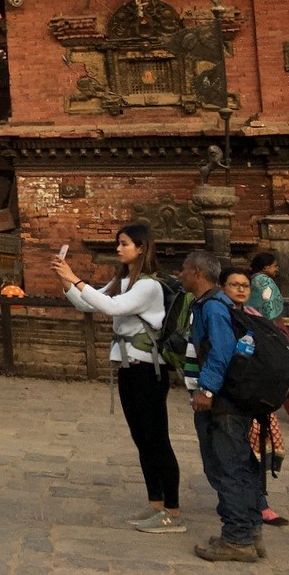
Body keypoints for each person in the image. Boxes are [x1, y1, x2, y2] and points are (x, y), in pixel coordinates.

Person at [53, 223, 183, 533]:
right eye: (118, 243)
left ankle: (173, 511)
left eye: (124, 243)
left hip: (149, 370)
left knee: (157, 439)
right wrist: (67, 283)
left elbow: (113, 308)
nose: (118, 248)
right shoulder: (123, 280)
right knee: (141, 439)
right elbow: (89, 303)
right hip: (128, 369)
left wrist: (75, 278)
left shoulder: (149, 286)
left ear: (141, 248)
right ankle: (155, 503)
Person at [180, 250, 266, 563]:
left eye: (184, 270)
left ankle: (237, 538)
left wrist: (206, 389)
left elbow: (221, 351)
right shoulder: (219, 304)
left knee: (225, 468)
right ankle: (249, 530)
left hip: (223, 403)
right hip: (232, 400)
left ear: (197, 273)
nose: (181, 275)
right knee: (241, 467)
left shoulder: (213, 307)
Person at [221, 266, 286, 532]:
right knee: (239, 455)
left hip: (256, 396)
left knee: (256, 453)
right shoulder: (221, 315)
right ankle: (250, 506)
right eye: (234, 285)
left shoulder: (255, 317)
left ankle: (258, 503)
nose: (240, 290)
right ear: (222, 287)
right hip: (233, 394)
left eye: (244, 286)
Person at [248, 252, 283, 322]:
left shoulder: (252, 279)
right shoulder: (265, 281)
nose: (277, 269)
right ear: (265, 268)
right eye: (275, 266)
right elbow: (270, 307)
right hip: (265, 323)